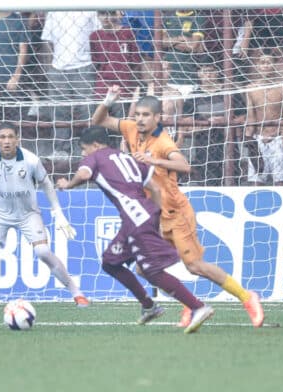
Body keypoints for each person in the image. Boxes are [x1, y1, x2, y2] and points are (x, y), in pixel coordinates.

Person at [92, 89, 264, 328]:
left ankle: (247, 297)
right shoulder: (131, 128)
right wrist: (108, 100)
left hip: (175, 214)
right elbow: (98, 120)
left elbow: (184, 165)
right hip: (151, 215)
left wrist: (155, 161)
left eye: (146, 115)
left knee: (194, 266)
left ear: (157, 118)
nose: (140, 119)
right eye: (138, 114)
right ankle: (190, 304)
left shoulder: (163, 142)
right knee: (144, 268)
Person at [55, 125, 214, 332]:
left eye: (84, 149)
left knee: (152, 271)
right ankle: (149, 306)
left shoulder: (94, 158)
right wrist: (153, 215)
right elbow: (155, 188)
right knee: (110, 262)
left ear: (95, 145)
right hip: (142, 215)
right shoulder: (127, 157)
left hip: (136, 218)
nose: (83, 154)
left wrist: (68, 184)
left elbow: (84, 175)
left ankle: (198, 307)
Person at [0, 123, 87, 308]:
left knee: (43, 252)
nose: (6, 141)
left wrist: (58, 213)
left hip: (27, 213)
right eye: (3, 137)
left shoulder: (31, 160)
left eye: (10, 137)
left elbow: (46, 184)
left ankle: (77, 294)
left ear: (17, 139)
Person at [41, 0, 102, 158]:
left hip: (84, 66)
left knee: (87, 110)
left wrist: (95, 63)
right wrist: (49, 67)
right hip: (59, 67)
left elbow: (97, 37)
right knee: (60, 111)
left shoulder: (88, 10)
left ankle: (89, 148)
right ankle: (61, 149)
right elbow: (47, 41)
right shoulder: (55, 11)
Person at [185, 64, 246, 186]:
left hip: (228, 144)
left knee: (232, 181)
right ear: (199, 73)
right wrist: (208, 124)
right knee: (208, 183)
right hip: (204, 146)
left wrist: (225, 120)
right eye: (205, 71)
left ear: (218, 72)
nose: (208, 74)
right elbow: (186, 126)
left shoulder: (230, 92)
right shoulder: (193, 96)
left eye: (212, 71)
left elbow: (244, 116)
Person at [244, 50, 283, 186]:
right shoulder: (250, 88)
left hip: (278, 138)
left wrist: (275, 134)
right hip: (259, 138)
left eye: (269, 62)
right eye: (262, 63)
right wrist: (249, 140)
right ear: (257, 66)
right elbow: (251, 116)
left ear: (275, 65)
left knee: (279, 181)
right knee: (256, 181)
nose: (265, 65)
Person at [89, 9, 141, 118]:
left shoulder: (127, 33)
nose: (106, 17)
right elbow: (96, 62)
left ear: (117, 15)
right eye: (103, 13)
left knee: (120, 122)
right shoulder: (95, 36)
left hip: (123, 86)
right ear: (98, 16)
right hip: (102, 87)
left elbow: (135, 61)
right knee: (100, 122)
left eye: (110, 13)